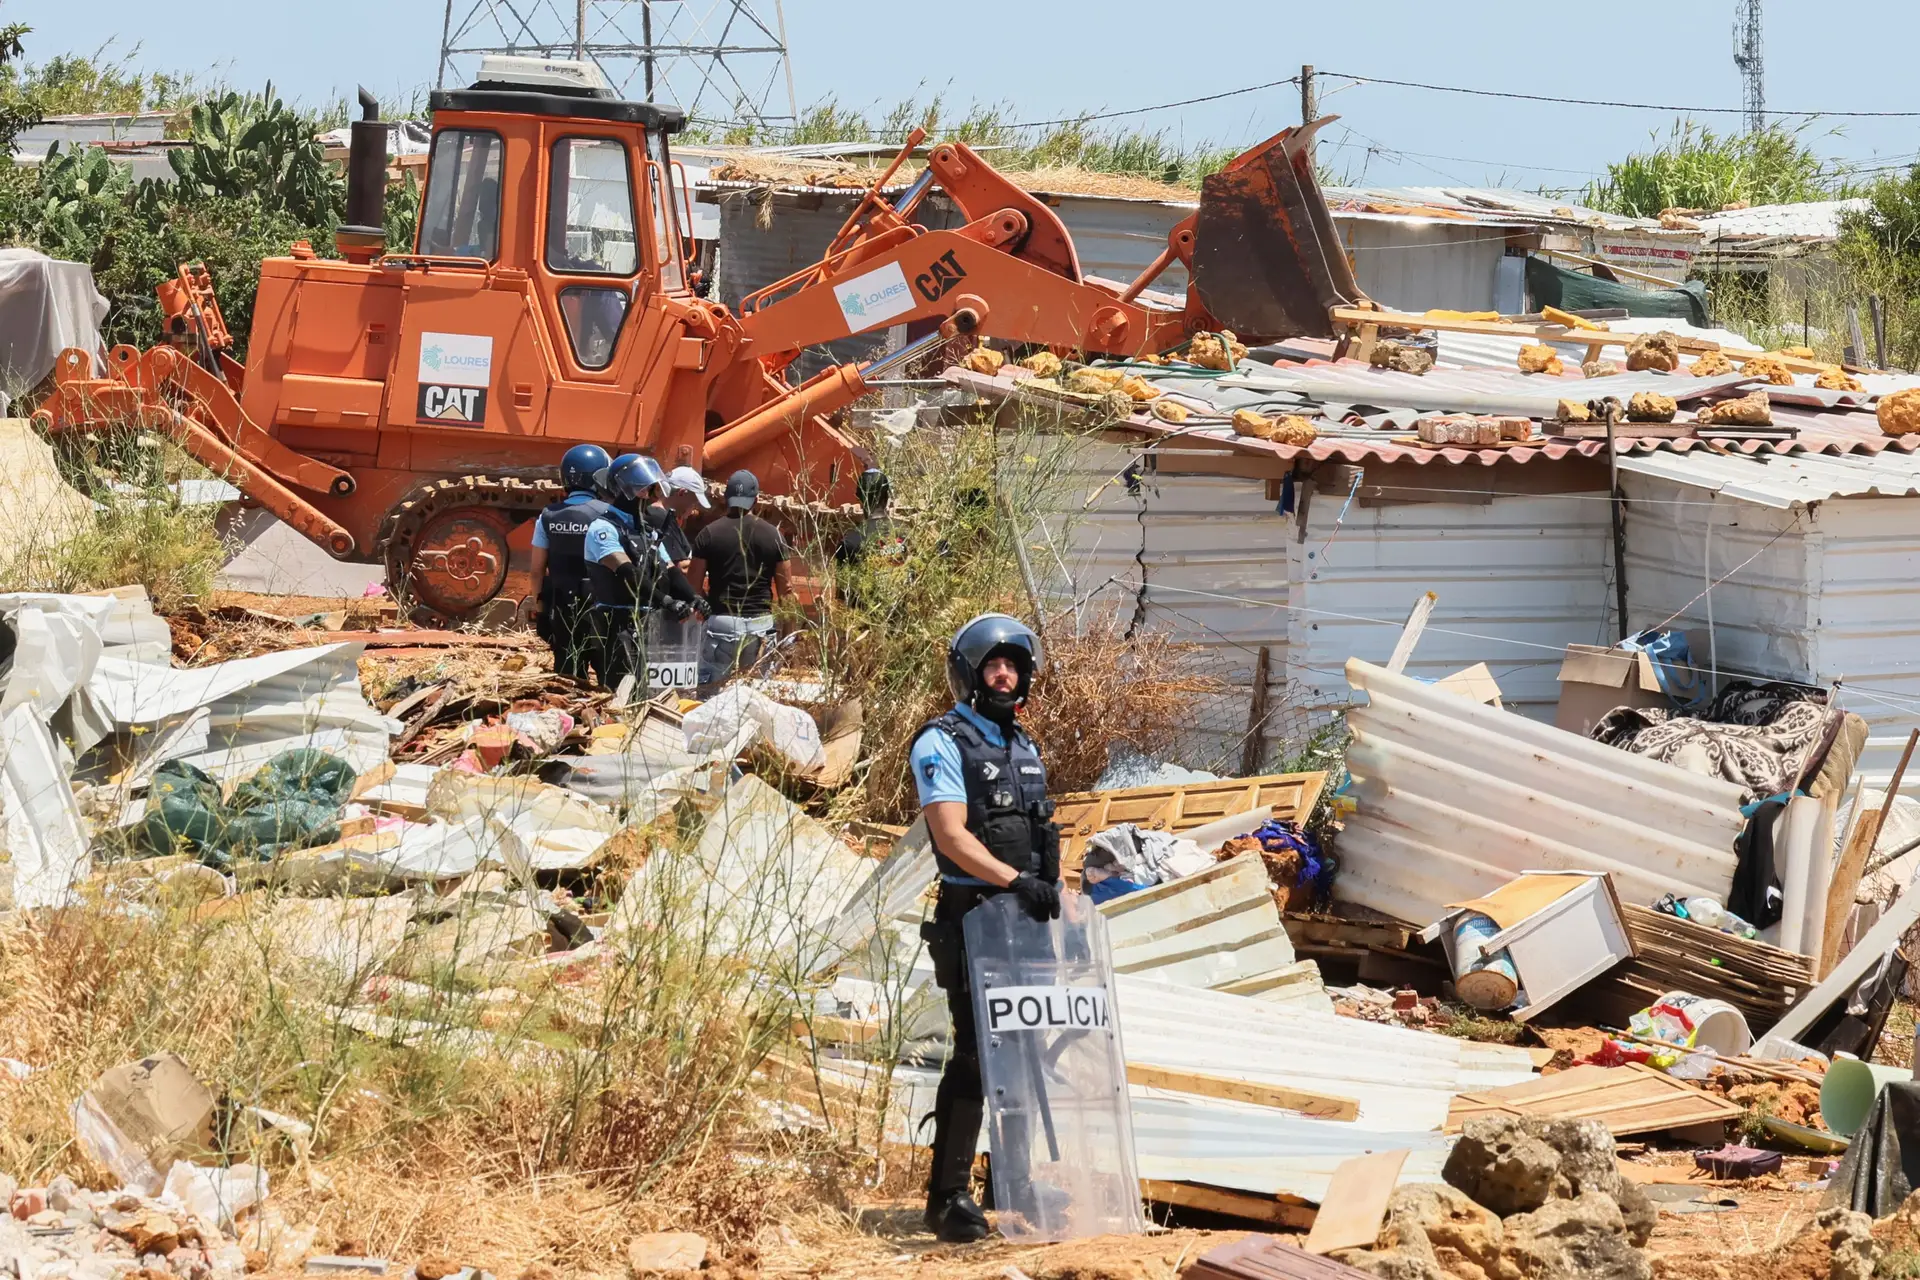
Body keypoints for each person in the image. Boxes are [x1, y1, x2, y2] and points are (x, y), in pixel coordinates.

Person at [909, 614, 1061, 1244]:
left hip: (1027, 920)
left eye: (1013, 666)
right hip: (973, 917)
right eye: (993, 665)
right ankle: (947, 1198)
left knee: (1025, 1049)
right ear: (970, 674)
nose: (1004, 675)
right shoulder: (941, 741)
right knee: (976, 1054)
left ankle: (1014, 1183)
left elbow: (1037, 831)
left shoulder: (1023, 744)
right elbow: (951, 835)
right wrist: (1013, 880)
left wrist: (1050, 888)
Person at [687, 469, 791, 687]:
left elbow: (693, 586)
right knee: (757, 695)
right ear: (756, 500)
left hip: (721, 624)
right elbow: (786, 592)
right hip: (760, 626)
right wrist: (788, 638)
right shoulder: (774, 536)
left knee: (712, 695)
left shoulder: (708, 534)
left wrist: (708, 609)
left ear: (726, 498)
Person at [524, 443, 614, 681]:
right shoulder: (609, 514)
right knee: (609, 682)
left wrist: (541, 612)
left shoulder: (547, 516)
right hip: (602, 613)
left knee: (568, 683)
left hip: (562, 612)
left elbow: (536, 571)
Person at [832, 467, 904, 608]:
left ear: (859, 497)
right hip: (903, 618)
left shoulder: (849, 543)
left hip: (863, 619)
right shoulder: (906, 534)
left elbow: (842, 598)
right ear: (886, 497)